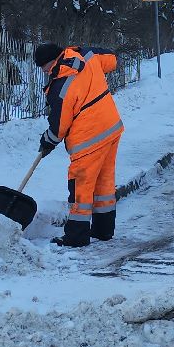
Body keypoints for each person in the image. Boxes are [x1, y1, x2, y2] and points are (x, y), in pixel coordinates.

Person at [34, 42, 123, 248]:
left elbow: (59, 126)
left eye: (44, 66)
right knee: (104, 184)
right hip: (111, 128)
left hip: (88, 140)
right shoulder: (86, 55)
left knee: (80, 188)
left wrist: (47, 141)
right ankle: (103, 231)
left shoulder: (61, 85)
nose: (44, 71)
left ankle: (76, 236)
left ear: (52, 61)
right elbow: (112, 59)